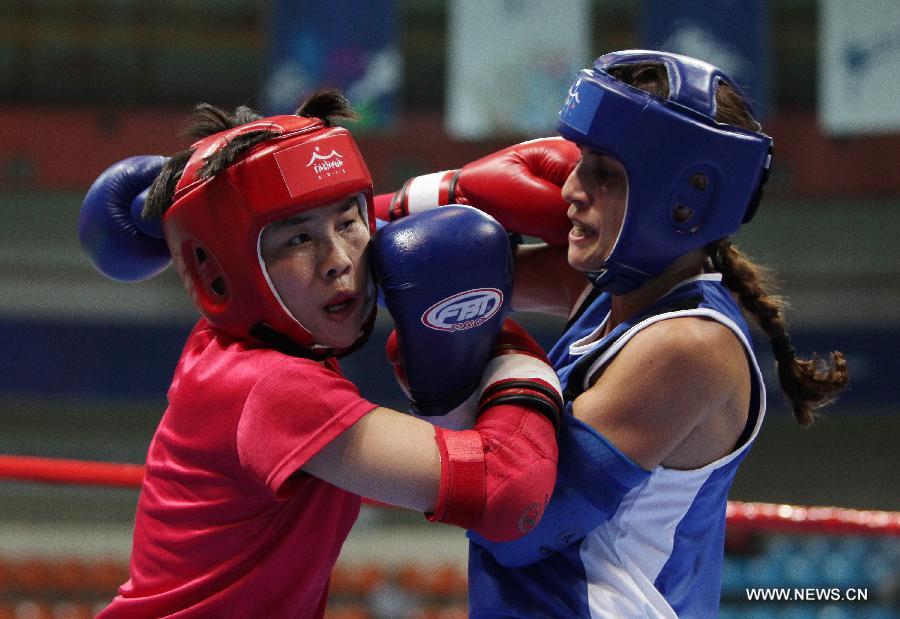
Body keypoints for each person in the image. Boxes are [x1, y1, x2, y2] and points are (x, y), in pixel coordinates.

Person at [378, 50, 849, 617]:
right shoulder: (610, 298)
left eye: (602, 172)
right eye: (578, 162)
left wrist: (492, 368)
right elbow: (422, 278)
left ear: (685, 199)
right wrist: (435, 195)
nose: (570, 189)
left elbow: (522, 526)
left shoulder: (687, 347)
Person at [77, 90, 565, 618]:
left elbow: (319, 223)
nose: (340, 262)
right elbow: (506, 491)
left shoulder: (249, 328)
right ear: (219, 274)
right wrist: (505, 347)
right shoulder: (271, 386)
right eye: (299, 241)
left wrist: (442, 192)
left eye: (348, 223)